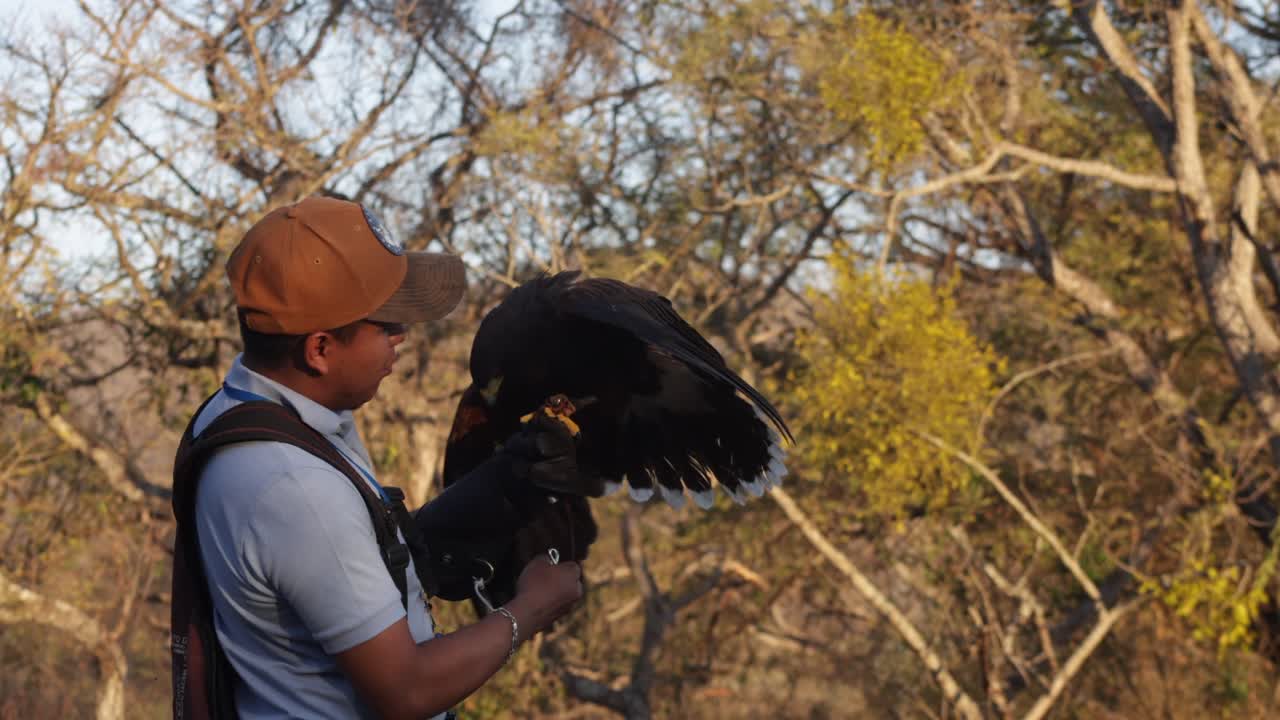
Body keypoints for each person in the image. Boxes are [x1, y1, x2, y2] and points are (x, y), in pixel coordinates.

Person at [181, 195, 583, 719]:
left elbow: (326, 576)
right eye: (387, 323)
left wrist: (497, 488)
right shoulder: (294, 484)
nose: (402, 335)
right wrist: (530, 608)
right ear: (319, 348)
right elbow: (405, 691)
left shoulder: (248, 412)